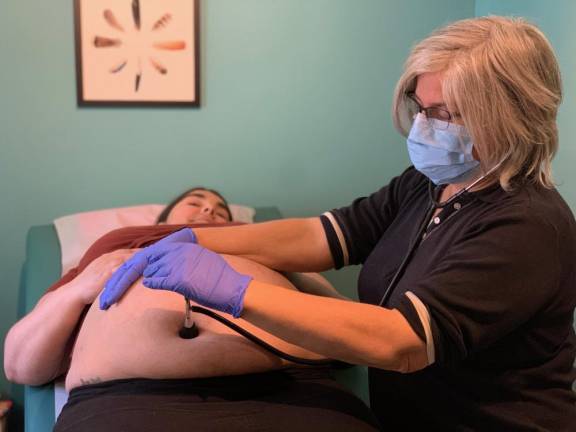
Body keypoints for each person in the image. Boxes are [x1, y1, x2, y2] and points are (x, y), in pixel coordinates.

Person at [101, 16, 576, 431]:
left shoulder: (527, 226)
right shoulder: (428, 185)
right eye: (421, 107)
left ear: (511, 116)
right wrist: (195, 238)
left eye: (445, 114)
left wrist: (233, 289)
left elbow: (401, 342)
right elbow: (324, 235)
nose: (423, 127)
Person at [4, 187, 378, 431]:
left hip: (294, 393)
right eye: (196, 203)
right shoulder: (118, 243)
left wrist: (294, 268)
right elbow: (20, 364)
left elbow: (352, 343)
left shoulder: (261, 244)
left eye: (220, 210)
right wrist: (79, 290)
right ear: (163, 219)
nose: (209, 212)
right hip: (127, 404)